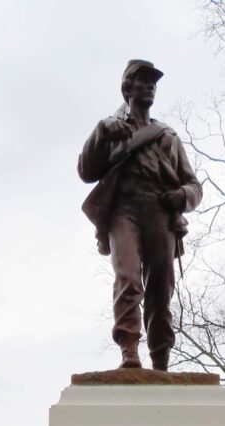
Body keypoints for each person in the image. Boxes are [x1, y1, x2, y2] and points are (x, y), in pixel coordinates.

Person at [78, 60, 203, 371]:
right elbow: (85, 171)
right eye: (142, 81)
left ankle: (161, 358)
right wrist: (100, 132)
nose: (149, 86)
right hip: (125, 211)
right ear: (127, 88)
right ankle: (129, 350)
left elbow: (193, 185)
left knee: (161, 288)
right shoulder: (111, 129)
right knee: (129, 278)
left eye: (153, 82)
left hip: (161, 213)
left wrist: (182, 196)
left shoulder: (168, 136)